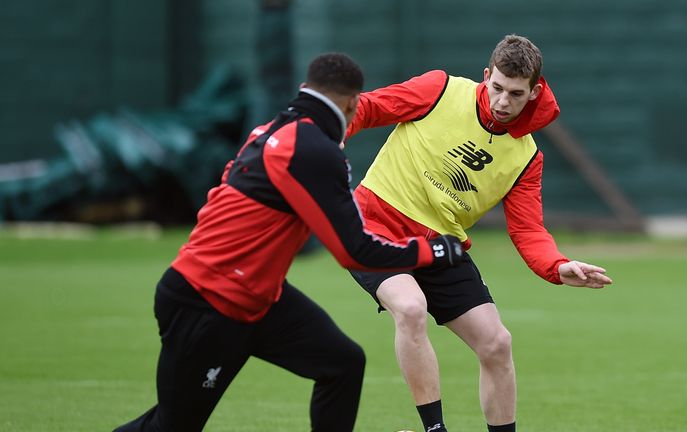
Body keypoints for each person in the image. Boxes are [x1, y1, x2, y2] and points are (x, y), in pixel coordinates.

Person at [113, 53, 463, 432]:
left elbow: (220, 201)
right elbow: (353, 249)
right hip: (208, 299)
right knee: (172, 427)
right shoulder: (312, 148)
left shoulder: (273, 131)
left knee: (341, 364)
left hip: (257, 296)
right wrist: (433, 250)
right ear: (351, 103)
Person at [346, 35, 613, 432]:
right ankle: (434, 430)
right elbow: (366, 108)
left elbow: (528, 229)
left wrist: (556, 266)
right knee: (411, 307)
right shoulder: (439, 90)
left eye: (516, 94)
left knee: (497, 343)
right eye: (497, 88)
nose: (503, 101)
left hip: (440, 244)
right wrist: (320, 139)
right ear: (486, 76)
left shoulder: (526, 157)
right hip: (374, 224)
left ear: (534, 92)